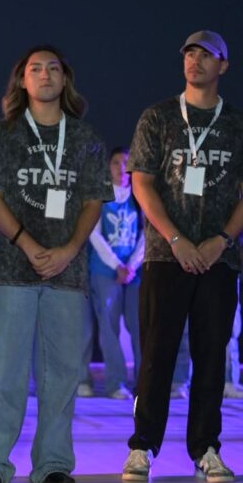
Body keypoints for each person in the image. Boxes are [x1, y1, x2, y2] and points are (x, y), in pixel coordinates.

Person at [123, 30, 243, 483]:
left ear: (224, 65)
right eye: (189, 53)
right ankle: (142, 446)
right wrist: (177, 239)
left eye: (207, 55)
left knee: (211, 355)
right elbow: (142, 183)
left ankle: (206, 447)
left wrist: (219, 240)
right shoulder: (159, 116)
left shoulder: (240, 123)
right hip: (167, 255)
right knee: (156, 354)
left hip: (219, 258)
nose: (195, 60)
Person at [0, 45, 111, 483]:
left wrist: (69, 248)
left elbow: (93, 201)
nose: (45, 74)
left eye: (53, 68)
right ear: (22, 81)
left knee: (62, 375)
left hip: (69, 273)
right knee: (4, 373)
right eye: (35, 68)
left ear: (65, 79)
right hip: (14, 268)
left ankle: (52, 462)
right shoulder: (3, 133)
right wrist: (29, 245)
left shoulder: (86, 137)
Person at [80, 146, 143, 399]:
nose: (120, 168)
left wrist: (132, 266)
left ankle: (143, 383)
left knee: (139, 327)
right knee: (109, 328)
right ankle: (115, 383)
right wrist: (117, 265)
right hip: (105, 271)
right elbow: (94, 234)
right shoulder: (102, 197)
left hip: (133, 272)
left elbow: (146, 235)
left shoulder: (139, 196)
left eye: (125, 162)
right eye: (115, 162)